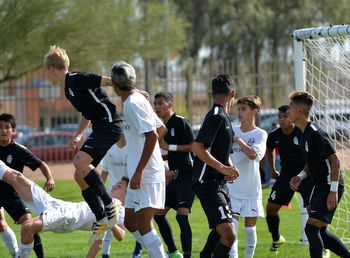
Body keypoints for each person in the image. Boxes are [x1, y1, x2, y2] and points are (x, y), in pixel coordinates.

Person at [44, 46, 123, 241]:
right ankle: (102, 218)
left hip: (110, 124)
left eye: (47, 71)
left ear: (52, 69)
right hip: (101, 127)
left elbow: (106, 81)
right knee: (79, 176)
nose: (48, 75)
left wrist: (131, 89)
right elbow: (87, 113)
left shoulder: (75, 78)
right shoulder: (68, 90)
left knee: (79, 162)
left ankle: (109, 204)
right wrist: (78, 135)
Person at [0, 160, 127, 258]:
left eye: (120, 185)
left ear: (127, 194)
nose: (115, 185)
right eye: (117, 183)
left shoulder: (117, 209)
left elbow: (118, 237)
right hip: (58, 204)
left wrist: (111, 223)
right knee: (16, 177)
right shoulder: (103, 202)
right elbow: (79, 177)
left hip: (69, 218)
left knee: (28, 226)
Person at [111, 61, 167, 257]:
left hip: (145, 174)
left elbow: (153, 135)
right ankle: (158, 253)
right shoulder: (138, 100)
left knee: (144, 224)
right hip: (140, 171)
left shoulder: (133, 104)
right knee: (129, 222)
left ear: (116, 86)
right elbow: (161, 129)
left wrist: (140, 170)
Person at [289, 91, 350, 258]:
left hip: (330, 184)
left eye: (290, 107)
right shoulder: (303, 135)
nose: (288, 111)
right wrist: (300, 176)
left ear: (300, 110)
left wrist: (333, 191)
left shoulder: (316, 133)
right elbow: (312, 162)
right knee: (321, 232)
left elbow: (335, 161)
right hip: (320, 185)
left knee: (311, 228)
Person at [191, 74, 239, 258]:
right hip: (207, 182)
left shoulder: (223, 117)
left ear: (212, 94)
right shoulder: (217, 116)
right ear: (233, 93)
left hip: (218, 182)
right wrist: (222, 168)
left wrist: (229, 166)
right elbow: (197, 147)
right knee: (229, 234)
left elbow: (218, 149)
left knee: (221, 231)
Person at [0, 113, 55, 258]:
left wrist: (49, 178)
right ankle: (15, 254)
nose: (3, 131)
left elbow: (41, 164)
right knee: (0, 224)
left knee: (29, 224)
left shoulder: (18, 150)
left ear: (13, 131)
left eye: (7, 127)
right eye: (0, 127)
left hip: (11, 194)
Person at [265, 105, 313, 255]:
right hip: (285, 176)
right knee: (270, 209)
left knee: (313, 212)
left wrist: (303, 175)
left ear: (291, 117)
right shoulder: (275, 135)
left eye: (285, 116)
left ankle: (321, 245)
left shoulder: (301, 132)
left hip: (305, 176)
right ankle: (277, 238)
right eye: (279, 117)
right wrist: (273, 170)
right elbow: (269, 149)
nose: (282, 120)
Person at [153, 91, 195, 258]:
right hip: (174, 177)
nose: (157, 108)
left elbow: (192, 146)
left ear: (170, 104)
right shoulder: (162, 125)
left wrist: (167, 147)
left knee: (181, 216)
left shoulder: (180, 122)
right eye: (155, 104)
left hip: (187, 176)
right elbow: (173, 154)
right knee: (158, 214)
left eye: (160, 104)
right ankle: (173, 251)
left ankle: (187, 255)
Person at [226, 96, 267, 258]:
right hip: (232, 188)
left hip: (251, 188)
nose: (240, 112)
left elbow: (254, 155)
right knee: (231, 227)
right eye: (239, 109)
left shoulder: (260, 134)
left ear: (254, 111)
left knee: (250, 230)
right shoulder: (231, 129)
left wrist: (239, 141)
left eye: (244, 109)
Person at [100, 135, 128, 258]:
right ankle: (105, 254)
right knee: (108, 223)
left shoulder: (133, 148)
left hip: (131, 193)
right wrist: (98, 192)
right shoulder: (109, 149)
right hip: (113, 194)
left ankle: (139, 249)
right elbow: (104, 172)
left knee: (137, 223)